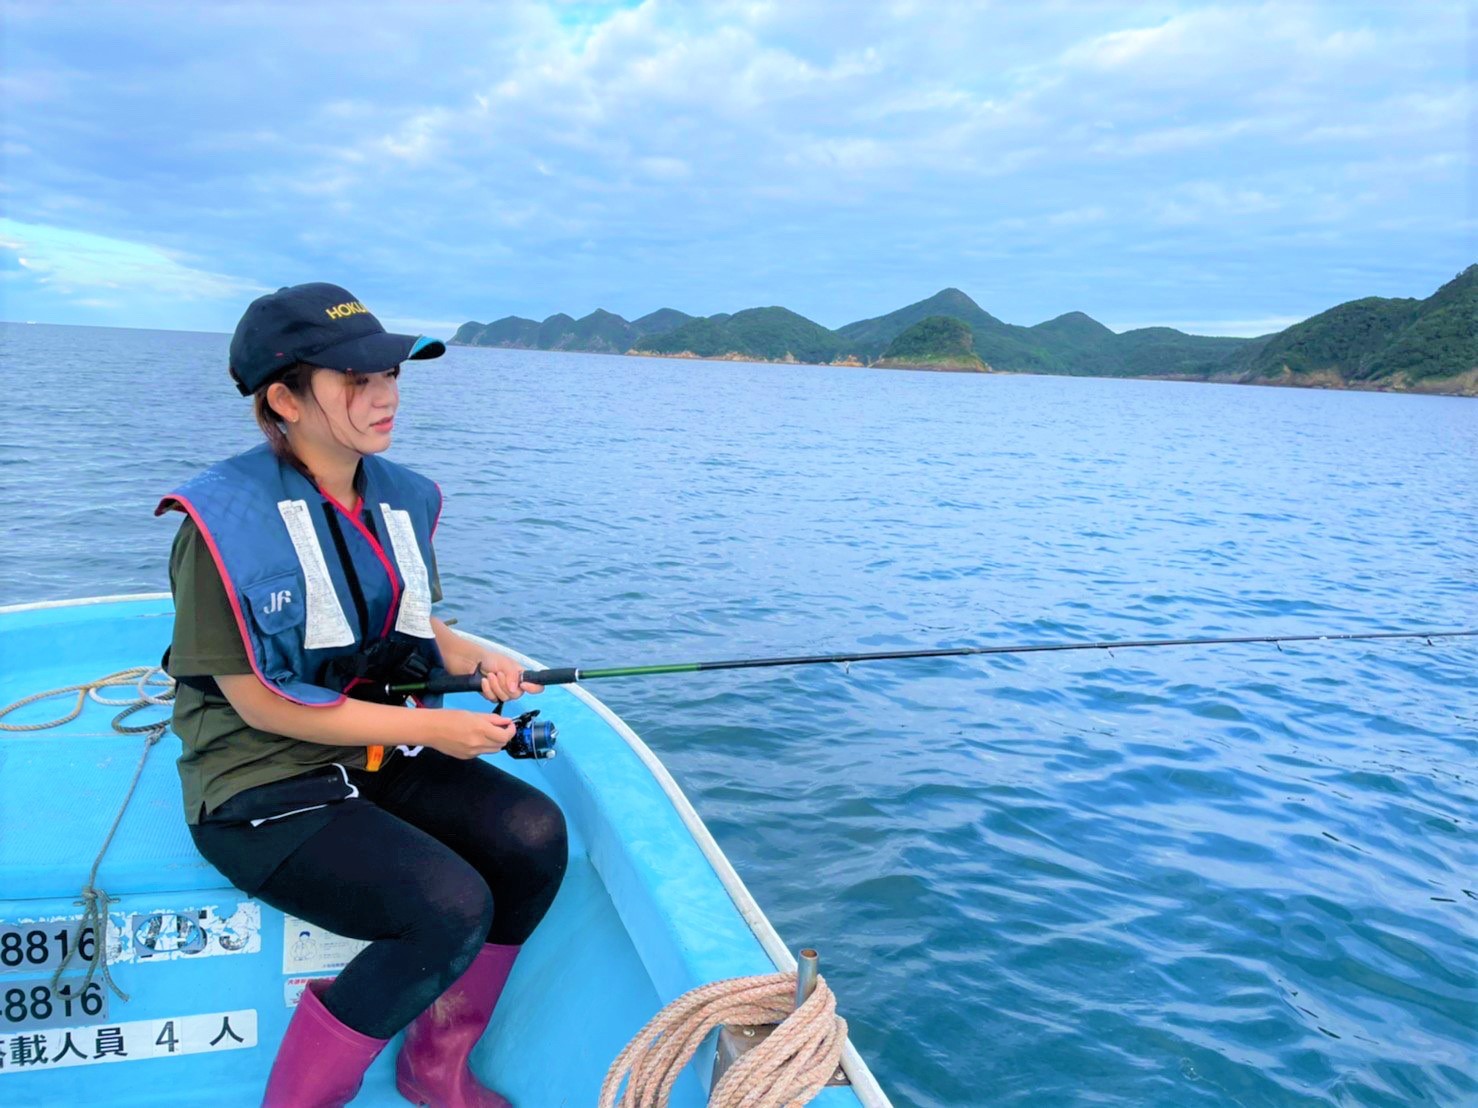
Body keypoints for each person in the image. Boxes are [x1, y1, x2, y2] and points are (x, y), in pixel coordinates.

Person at [157, 282, 568, 1108]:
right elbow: (263, 706)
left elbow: (420, 626)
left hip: (373, 750)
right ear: (285, 399)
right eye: (355, 380)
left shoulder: (399, 498)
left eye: (390, 374)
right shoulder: (219, 526)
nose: (384, 396)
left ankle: (435, 1068)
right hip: (258, 780)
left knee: (532, 833)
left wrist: (481, 658)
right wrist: (445, 736)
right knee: (447, 906)